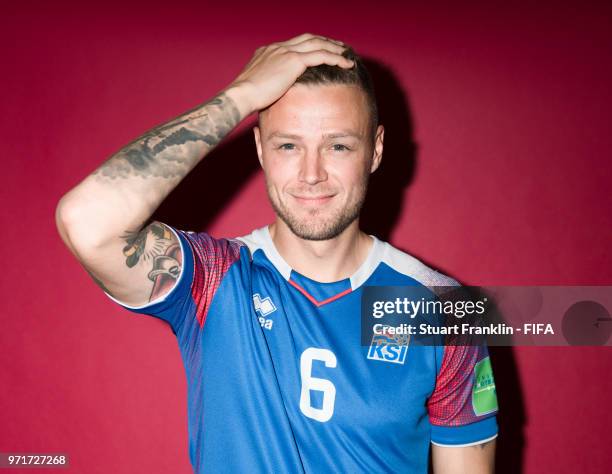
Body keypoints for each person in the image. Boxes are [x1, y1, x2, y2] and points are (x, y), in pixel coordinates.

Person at [56, 33, 498, 473]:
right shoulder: (215, 279)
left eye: (338, 146)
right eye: (289, 145)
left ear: (376, 150)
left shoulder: (444, 308)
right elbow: (87, 223)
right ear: (261, 150)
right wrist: (241, 96)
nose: (312, 175)